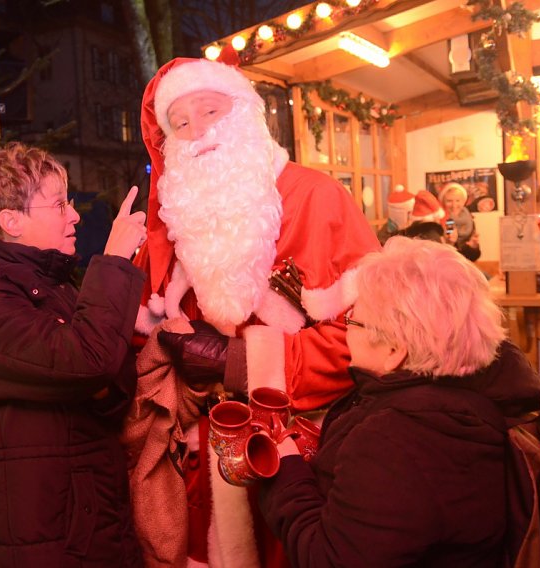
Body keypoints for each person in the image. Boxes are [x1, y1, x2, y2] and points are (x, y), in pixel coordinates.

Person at [126, 51, 380, 567]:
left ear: (245, 111)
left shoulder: (316, 198)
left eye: (211, 111)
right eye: (180, 122)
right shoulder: (175, 226)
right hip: (207, 470)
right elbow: (139, 341)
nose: (197, 130)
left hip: (307, 463)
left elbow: (375, 342)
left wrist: (239, 363)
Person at [259, 236, 540, 567]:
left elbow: (330, 559)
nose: (346, 324)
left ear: (395, 351)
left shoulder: (398, 440)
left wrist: (286, 473)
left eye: (353, 317)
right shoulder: (463, 398)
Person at [0, 143, 146, 567]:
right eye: (59, 204)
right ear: (11, 221)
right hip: (33, 534)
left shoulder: (53, 287)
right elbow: (88, 361)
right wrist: (116, 259)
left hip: (82, 523)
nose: (75, 215)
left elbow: (110, 382)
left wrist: (98, 383)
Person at [438, 182, 481, 262]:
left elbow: (473, 257)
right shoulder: (441, 220)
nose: (454, 205)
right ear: (443, 202)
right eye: (449, 201)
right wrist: (450, 243)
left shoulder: (469, 218)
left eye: (458, 200)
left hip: (466, 264)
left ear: (463, 201)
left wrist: (473, 247)